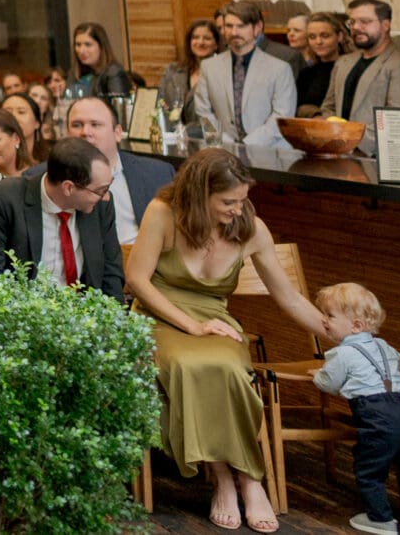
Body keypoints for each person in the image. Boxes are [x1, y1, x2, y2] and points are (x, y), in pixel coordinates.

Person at [126, 147, 335, 535]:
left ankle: (250, 479)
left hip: (214, 316)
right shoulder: (162, 212)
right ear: (198, 193)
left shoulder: (250, 228)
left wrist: (335, 332)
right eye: (228, 201)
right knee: (189, 364)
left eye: (243, 199)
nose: (238, 209)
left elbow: (288, 297)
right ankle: (225, 478)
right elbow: (136, 280)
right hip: (159, 315)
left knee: (228, 367)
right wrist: (190, 325)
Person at [310, 282, 400, 535]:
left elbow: (328, 384)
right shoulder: (385, 347)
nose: (324, 321)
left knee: (369, 470)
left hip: (378, 417)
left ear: (355, 325)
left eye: (330, 316)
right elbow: (396, 361)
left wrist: (318, 374)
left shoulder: (341, 354)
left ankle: (381, 519)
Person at [0, 136, 122, 298]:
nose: (106, 196)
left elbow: (111, 273)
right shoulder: (4, 199)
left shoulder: (101, 206)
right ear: (68, 188)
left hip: (86, 314)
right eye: (100, 190)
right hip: (26, 313)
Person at [40, 94, 172, 244]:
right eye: (77, 125)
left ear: (117, 133)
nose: (85, 132)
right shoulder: (47, 179)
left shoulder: (157, 173)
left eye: (95, 125)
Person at [323, 0, 400, 149]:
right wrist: (332, 136)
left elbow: (397, 119)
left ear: (386, 25)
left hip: (376, 155)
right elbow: (328, 106)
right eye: (352, 22)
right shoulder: (343, 62)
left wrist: (350, 142)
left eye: (365, 21)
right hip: (337, 151)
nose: (356, 27)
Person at [196, 0, 298, 152]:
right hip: (222, 151)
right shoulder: (209, 67)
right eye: (229, 26)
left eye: (241, 26)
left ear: (257, 28)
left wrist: (247, 145)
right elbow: (203, 112)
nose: (234, 32)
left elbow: (282, 116)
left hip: (269, 152)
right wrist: (220, 142)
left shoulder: (280, 69)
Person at [159, 19, 220, 116]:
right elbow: (160, 101)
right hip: (172, 128)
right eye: (195, 37)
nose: (200, 42)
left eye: (207, 38)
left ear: (216, 44)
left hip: (207, 130)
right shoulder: (172, 70)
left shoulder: (222, 74)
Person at [66, 23, 134, 101]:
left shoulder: (114, 72)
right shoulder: (73, 73)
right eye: (78, 45)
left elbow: (119, 107)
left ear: (101, 46)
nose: (81, 51)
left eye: (88, 45)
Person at [292, 15, 342, 114]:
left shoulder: (350, 69)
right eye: (312, 37)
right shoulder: (306, 74)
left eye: (325, 36)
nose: (318, 42)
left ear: (339, 36)